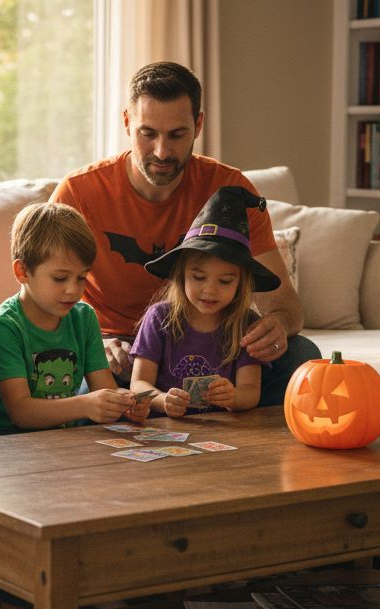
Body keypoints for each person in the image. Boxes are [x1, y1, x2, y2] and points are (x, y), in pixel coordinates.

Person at [50, 61, 318, 408]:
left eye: (177, 135)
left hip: (209, 346)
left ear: (199, 125)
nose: (162, 151)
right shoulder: (79, 193)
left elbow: (287, 307)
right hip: (115, 353)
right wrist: (89, 343)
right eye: (148, 133)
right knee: (86, 393)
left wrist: (276, 326)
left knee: (301, 356)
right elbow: (40, 299)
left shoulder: (230, 191)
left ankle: (225, 437)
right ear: (127, 123)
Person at [0, 202, 152, 437]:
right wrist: (86, 405)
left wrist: (124, 405)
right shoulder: (3, 326)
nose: (72, 290)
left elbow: (104, 388)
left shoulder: (84, 317)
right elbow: (21, 412)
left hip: (61, 437)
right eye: (60, 278)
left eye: (82, 278)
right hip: (4, 440)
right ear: (22, 272)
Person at [129, 186, 274, 417]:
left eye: (225, 281)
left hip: (223, 428)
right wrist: (161, 400)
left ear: (241, 283)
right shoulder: (159, 318)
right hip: (166, 426)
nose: (210, 290)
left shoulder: (246, 324)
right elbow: (138, 384)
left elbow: (250, 392)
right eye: (198, 277)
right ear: (181, 274)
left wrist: (234, 397)